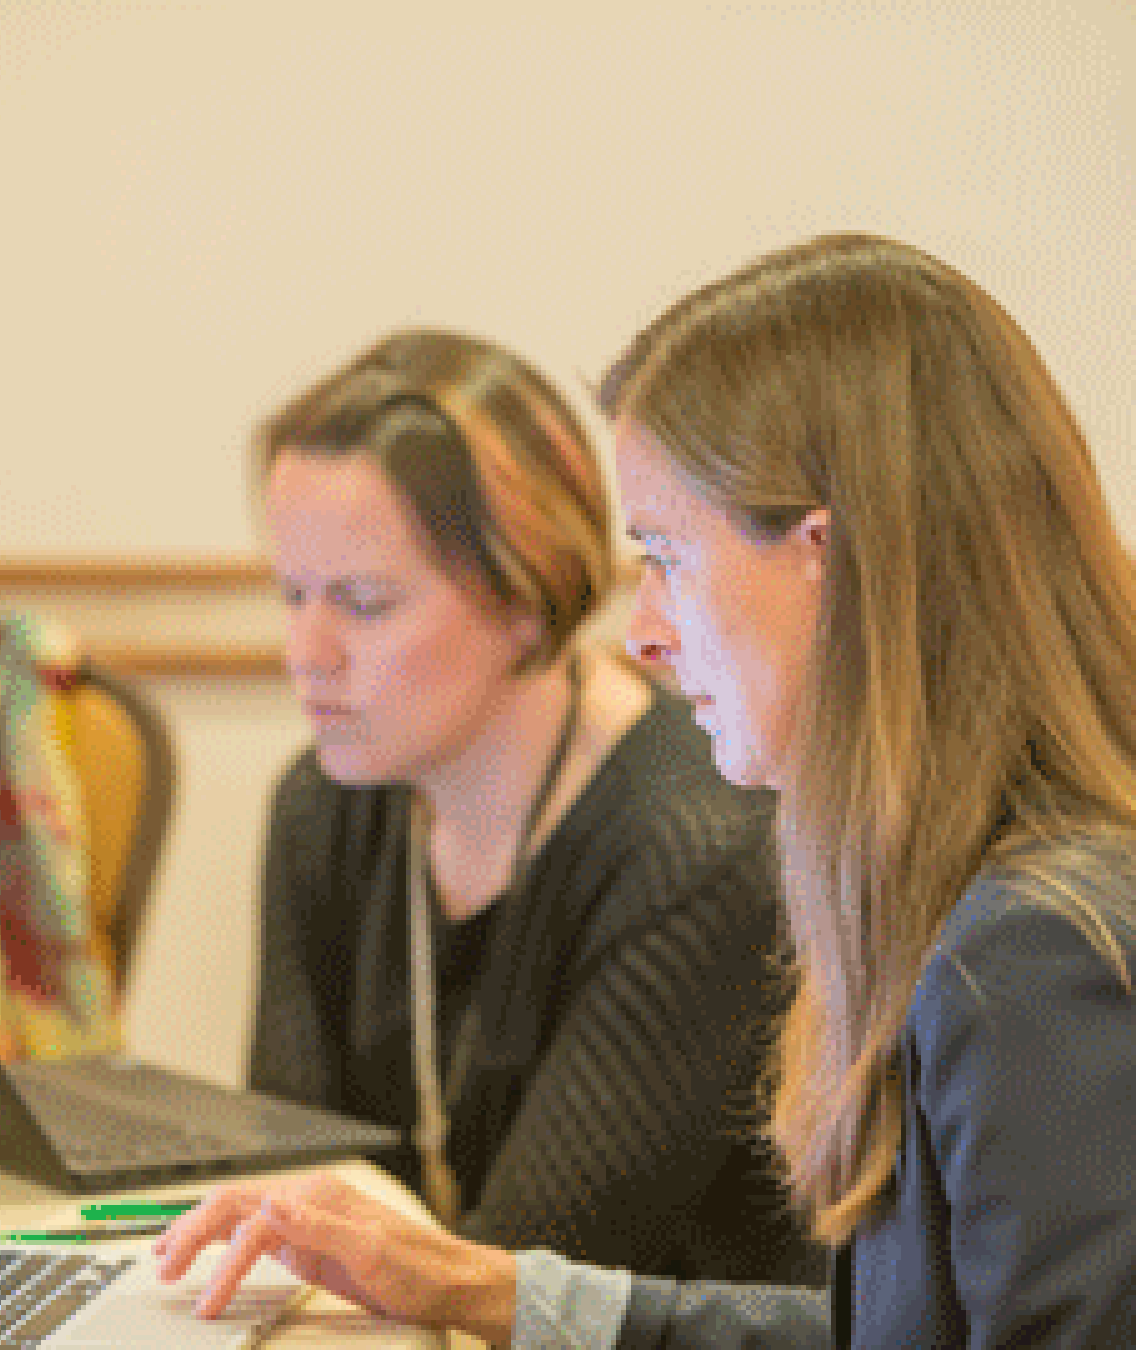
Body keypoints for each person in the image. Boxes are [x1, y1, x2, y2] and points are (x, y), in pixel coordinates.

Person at [154, 235, 1136, 1346]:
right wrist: (480, 1288)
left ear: (824, 560)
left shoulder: (1036, 952)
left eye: (667, 555)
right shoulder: (976, 902)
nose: (645, 634)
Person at [240, 327, 822, 1284]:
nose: (308, 651)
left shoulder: (697, 847)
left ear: (531, 594)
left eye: (364, 602)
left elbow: (532, 1284)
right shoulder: (320, 808)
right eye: (291, 594)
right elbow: (291, 1190)